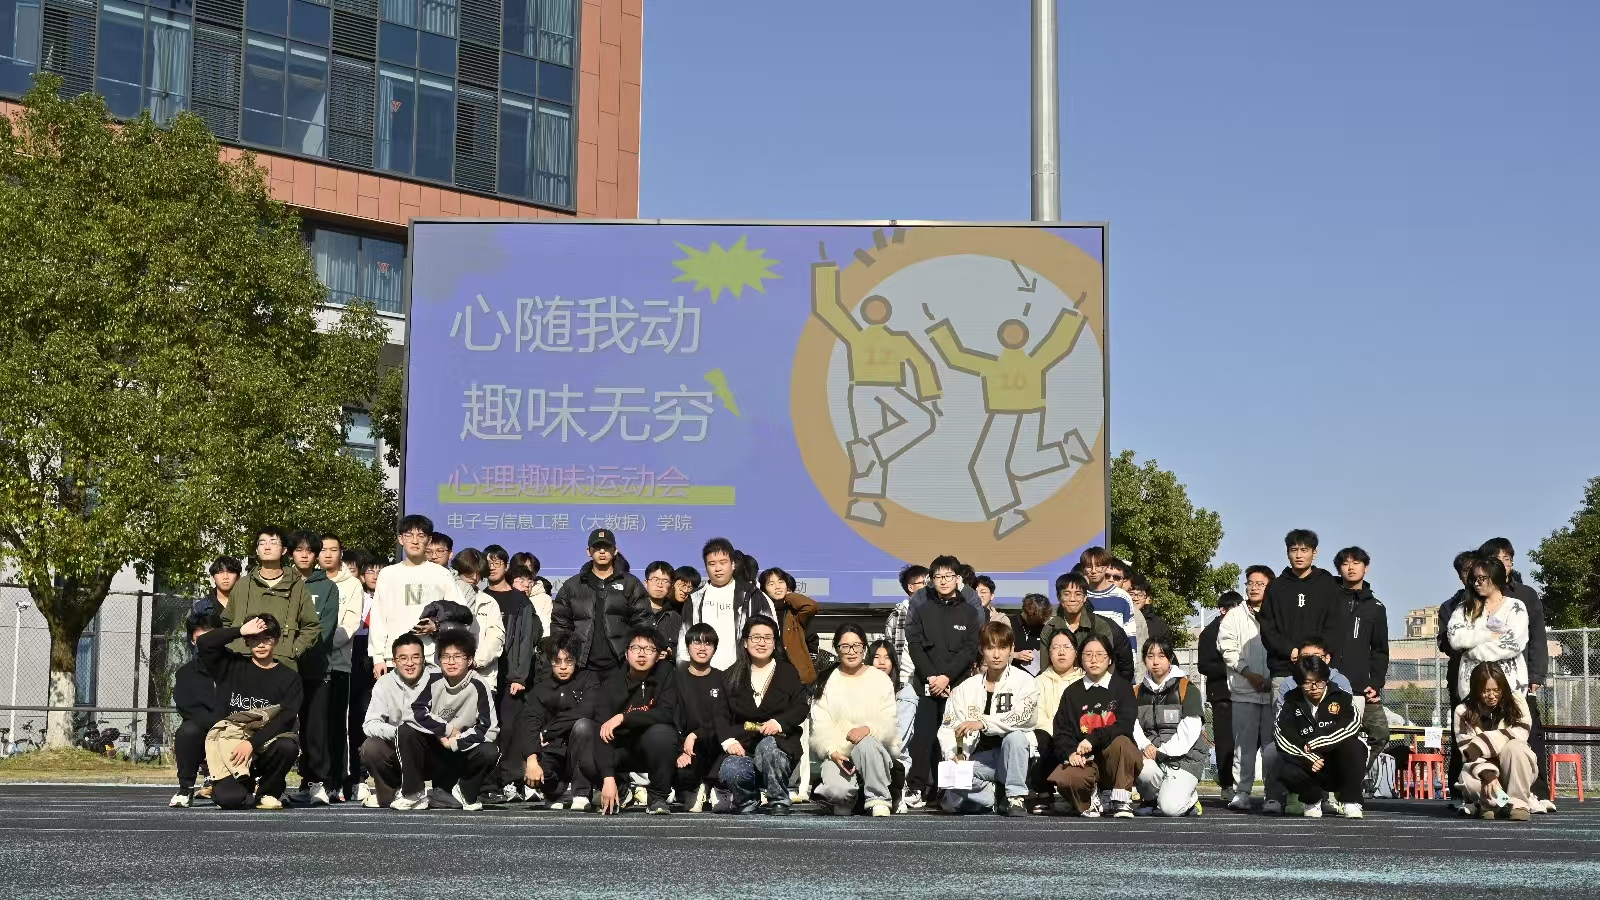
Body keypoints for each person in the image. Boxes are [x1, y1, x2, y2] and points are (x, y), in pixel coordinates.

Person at [1479, 537, 1555, 813]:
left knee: (1531, 734)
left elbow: (1537, 638)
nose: (1503, 564)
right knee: (1489, 737)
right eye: (1497, 559)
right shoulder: (1477, 594)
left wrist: (1536, 674)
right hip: (1487, 679)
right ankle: (1493, 795)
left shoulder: (1526, 594)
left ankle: (1537, 792)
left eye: (1507, 559)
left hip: (1519, 679)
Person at [197, 614, 303, 810]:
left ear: (276, 640)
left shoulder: (290, 678)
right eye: (254, 639)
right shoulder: (231, 665)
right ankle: (245, 786)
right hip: (232, 746)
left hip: (264, 745)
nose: (260, 645)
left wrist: (251, 743)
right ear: (246, 641)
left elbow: (287, 719)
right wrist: (240, 630)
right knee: (229, 800)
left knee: (287, 746)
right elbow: (204, 643)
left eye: (267, 638)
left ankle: (268, 791)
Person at [572, 627, 681, 815]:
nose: (642, 654)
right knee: (586, 740)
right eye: (635, 648)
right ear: (626, 653)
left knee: (663, 733)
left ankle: (657, 797)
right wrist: (607, 778)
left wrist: (623, 717)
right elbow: (602, 730)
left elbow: (666, 713)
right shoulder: (612, 682)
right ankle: (621, 792)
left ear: (658, 656)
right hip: (619, 749)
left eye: (649, 649)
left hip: (651, 747)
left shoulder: (666, 673)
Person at [902, 555, 982, 808]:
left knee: (953, 739)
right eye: (938, 577)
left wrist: (947, 677)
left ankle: (947, 790)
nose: (944, 581)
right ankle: (916, 787)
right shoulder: (922, 608)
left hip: (957, 686)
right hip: (927, 684)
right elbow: (915, 644)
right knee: (923, 737)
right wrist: (932, 677)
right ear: (931, 580)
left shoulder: (969, 612)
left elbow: (970, 649)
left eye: (948, 576)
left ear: (958, 579)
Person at [937, 621, 1039, 816]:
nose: (996, 654)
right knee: (950, 781)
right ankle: (994, 795)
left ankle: (1015, 797)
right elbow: (949, 728)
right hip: (980, 760)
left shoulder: (1025, 681)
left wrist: (983, 723)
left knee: (1016, 737)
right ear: (981, 650)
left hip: (1014, 760)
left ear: (1012, 650)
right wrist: (956, 754)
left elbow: (1024, 718)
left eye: (1002, 648)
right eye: (990, 648)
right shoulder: (966, 688)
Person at [395, 629, 500, 811]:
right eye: (445, 656)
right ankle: (413, 793)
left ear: (469, 660)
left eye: (458, 656)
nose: (451, 662)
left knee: (490, 751)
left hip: (461, 751)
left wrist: (455, 741)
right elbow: (414, 713)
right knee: (406, 730)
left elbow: (488, 729)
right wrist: (446, 730)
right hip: (434, 750)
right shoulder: (432, 680)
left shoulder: (479, 685)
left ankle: (465, 791)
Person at [718, 616, 808, 815]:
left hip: (780, 745)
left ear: (775, 643)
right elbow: (720, 714)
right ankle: (747, 800)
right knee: (732, 769)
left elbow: (801, 706)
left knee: (769, 747)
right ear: (745, 642)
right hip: (744, 746)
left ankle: (778, 799)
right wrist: (729, 741)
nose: (761, 642)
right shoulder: (730, 675)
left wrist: (779, 722)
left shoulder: (787, 671)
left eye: (767, 638)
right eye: (756, 637)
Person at [811, 625, 900, 816]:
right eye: (845, 646)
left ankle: (879, 797)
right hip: (840, 755)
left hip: (874, 751)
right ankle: (852, 798)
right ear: (837, 649)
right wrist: (832, 752)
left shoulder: (880, 679)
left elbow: (889, 719)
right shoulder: (826, 681)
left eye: (856, 646)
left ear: (864, 648)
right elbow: (820, 724)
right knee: (838, 793)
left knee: (866, 744)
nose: (851, 651)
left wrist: (868, 729)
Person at [1047, 635, 1140, 818]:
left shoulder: (1122, 688)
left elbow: (1124, 725)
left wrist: (1092, 739)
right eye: (1088, 654)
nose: (1094, 660)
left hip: (1114, 758)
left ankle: (1120, 799)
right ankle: (1091, 800)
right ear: (1080, 658)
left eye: (1100, 654)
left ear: (1110, 659)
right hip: (1085, 760)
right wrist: (1070, 753)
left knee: (1122, 741)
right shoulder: (1072, 692)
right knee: (1065, 778)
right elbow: (1062, 730)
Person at [368, 515, 466, 676]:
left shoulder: (441, 574)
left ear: (429, 540)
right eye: (409, 535)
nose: (415, 541)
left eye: (421, 536)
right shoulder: (388, 574)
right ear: (400, 539)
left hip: (431, 657)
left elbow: (460, 614)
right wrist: (378, 657)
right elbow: (378, 617)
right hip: (394, 658)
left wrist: (437, 626)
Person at [1218, 566, 1281, 812]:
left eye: (1260, 584)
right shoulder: (1234, 615)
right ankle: (1241, 793)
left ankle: (1272, 795)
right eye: (1250, 583)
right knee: (1243, 746)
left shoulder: (1279, 613)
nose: (1253, 588)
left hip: (1273, 691)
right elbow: (1227, 649)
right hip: (1244, 690)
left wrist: (1272, 678)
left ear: (1270, 587)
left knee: (1272, 746)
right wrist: (1248, 673)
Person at [285, 530, 340, 806]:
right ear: (291, 553)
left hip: (317, 669)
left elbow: (325, 630)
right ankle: (272, 782)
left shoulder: (328, 587)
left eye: (310, 550)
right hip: (283, 668)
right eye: (299, 550)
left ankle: (317, 783)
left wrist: (297, 648)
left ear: (316, 555)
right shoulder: (282, 583)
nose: (304, 555)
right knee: (280, 725)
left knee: (314, 729)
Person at [1275, 655, 1365, 818]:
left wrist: (1319, 742)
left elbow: (1353, 725)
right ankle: (1312, 800)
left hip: (1335, 764)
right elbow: (1282, 734)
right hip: (1308, 763)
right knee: (1281, 764)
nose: (1314, 687)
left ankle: (1351, 800)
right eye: (1308, 683)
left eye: (1319, 682)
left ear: (1326, 680)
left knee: (1357, 747)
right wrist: (1306, 757)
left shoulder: (1342, 697)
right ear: (1299, 683)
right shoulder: (1291, 701)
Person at [553, 528, 652, 677]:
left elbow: (643, 621)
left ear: (615, 550)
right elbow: (560, 624)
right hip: (582, 665)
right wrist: (567, 655)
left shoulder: (630, 583)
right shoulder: (572, 585)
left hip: (620, 664)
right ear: (588, 551)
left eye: (607, 547)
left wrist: (634, 654)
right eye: (597, 547)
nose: (602, 551)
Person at [221, 526, 320, 671]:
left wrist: (293, 650)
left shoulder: (296, 586)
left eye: (273, 542)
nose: (267, 547)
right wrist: (233, 647)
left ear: (284, 550)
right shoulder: (242, 584)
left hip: (282, 664)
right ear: (257, 550)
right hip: (242, 661)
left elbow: (311, 626)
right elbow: (226, 621)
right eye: (262, 543)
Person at [357, 633, 436, 807]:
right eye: (403, 658)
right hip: (399, 747)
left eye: (415, 657)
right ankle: (389, 793)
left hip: (432, 749)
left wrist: (417, 733)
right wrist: (399, 733)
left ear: (423, 659)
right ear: (394, 661)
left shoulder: (438, 679)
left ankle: (441, 791)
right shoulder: (384, 683)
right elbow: (370, 724)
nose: (410, 663)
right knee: (371, 747)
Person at [1328, 547, 1391, 767]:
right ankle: (1335, 783)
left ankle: (1355, 775)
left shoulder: (1376, 607)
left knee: (1380, 733)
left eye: (1356, 563)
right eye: (1345, 563)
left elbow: (1380, 650)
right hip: (1330, 685)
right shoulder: (1328, 600)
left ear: (1366, 567)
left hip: (1361, 687)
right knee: (1337, 738)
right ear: (1339, 569)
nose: (1351, 567)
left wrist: (1376, 682)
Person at [521, 636, 599, 810]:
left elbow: (586, 711)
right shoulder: (540, 688)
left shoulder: (588, 679)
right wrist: (531, 759)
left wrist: (548, 731)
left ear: (576, 660)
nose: (563, 667)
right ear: (551, 662)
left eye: (568, 661)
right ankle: (554, 792)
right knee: (528, 764)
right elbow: (529, 723)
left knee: (584, 726)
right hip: (552, 751)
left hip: (578, 751)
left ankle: (581, 792)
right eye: (557, 661)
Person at [1133, 638, 1209, 816]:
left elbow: (1189, 731)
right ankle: (1151, 799)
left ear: (1170, 658)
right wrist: (1146, 746)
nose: (1155, 661)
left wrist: (1162, 751)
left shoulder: (1186, 688)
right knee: (1140, 767)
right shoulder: (1136, 692)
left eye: (1161, 656)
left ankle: (1190, 799)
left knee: (1171, 808)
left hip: (1184, 760)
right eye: (1150, 656)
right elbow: (1132, 725)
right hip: (1152, 756)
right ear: (1144, 659)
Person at [1454, 661, 1537, 821]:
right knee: (1469, 781)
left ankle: (1518, 804)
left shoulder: (1517, 702)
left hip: (1514, 770)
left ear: (1503, 687)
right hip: (1483, 772)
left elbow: (1520, 733)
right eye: (1486, 691)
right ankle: (1497, 804)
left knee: (1515, 746)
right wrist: (1488, 775)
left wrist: (1479, 744)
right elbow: (1468, 752)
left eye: (1496, 690)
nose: (1492, 695)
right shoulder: (1463, 711)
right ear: (1476, 689)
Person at [678, 537, 776, 670]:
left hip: (744, 672)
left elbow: (770, 635)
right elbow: (684, 639)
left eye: (723, 562)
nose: (718, 568)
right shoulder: (695, 598)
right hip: (704, 673)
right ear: (706, 567)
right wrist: (684, 673)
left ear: (733, 564)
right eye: (712, 564)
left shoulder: (751, 594)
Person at [1259, 529, 1341, 687]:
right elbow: (1268, 628)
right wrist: (1289, 650)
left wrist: (1315, 652)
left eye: (1304, 550)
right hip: (1284, 671)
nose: (1298, 555)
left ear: (1314, 553)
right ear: (1287, 552)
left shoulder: (1327, 584)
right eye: (1294, 550)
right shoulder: (1276, 586)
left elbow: (1336, 624)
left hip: (1319, 669)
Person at [316, 533, 363, 803]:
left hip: (339, 665)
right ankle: (312, 781)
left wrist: (321, 644)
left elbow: (350, 624)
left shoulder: (353, 585)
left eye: (333, 550)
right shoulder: (307, 581)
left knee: (336, 726)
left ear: (340, 553)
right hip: (309, 666)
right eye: (323, 549)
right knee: (313, 727)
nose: (328, 554)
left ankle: (336, 782)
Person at [1447, 556, 1530, 703]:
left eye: (1481, 578)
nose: (1476, 583)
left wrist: (1471, 649)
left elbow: (1513, 643)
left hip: (1509, 687)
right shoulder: (1464, 608)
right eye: (1474, 579)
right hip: (1471, 688)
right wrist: (1489, 635)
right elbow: (1456, 638)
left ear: (1495, 577)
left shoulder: (1515, 607)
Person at [169, 613, 223, 807]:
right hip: (205, 729)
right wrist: (215, 726)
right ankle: (186, 789)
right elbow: (187, 707)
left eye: (211, 636)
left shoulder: (237, 666)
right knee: (187, 731)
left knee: (230, 798)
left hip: (234, 728)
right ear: (193, 641)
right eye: (200, 638)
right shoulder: (185, 673)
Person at [673, 623, 729, 812]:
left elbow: (725, 720)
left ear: (715, 648)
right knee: (682, 774)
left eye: (708, 643)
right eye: (696, 642)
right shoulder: (675, 679)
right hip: (686, 749)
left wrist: (696, 734)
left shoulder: (724, 679)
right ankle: (697, 788)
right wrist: (681, 749)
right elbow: (671, 718)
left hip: (714, 744)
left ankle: (714, 788)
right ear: (687, 646)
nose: (702, 648)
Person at [1038, 572, 1134, 681]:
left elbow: (1107, 664)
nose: (1072, 599)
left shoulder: (1100, 626)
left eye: (1078, 594)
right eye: (1067, 594)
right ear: (1059, 598)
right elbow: (1045, 667)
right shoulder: (1050, 628)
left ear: (1085, 597)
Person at [1028, 628, 1084, 813]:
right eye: (1055, 647)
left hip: (1078, 737)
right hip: (1049, 736)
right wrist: (1058, 734)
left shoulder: (1085, 680)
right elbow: (1036, 714)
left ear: (1076, 651)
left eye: (1066, 647)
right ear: (1049, 652)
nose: (1061, 652)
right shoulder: (1038, 681)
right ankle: (1044, 793)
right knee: (1040, 737)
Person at [344, 551, 384, 802]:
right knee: (353, 718)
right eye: (370, 570)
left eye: (380, 571)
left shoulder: (388, 598)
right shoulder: (354, 595)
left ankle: (370, 775)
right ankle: (352, 777)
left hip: (379, 659)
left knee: (374, 717)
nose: (375, 576)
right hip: (353, 654)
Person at [1439, 550, 1478, 800]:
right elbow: (1446, 643)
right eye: (1465, 571)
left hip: (1491, 674)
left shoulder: (1497, 601)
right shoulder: (1449, 606)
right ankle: (1457, 789)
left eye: (1475, 569)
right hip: (1459, 674)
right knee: (1460, 730)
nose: (1472, 576)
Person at [1197, 590, 1242, 800]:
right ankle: (1226, 784)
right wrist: (1234, 668)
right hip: (1221, 694)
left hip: (1245, 691)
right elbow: (1204, 666)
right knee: (1225, 741)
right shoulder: (1209, 633)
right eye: (1234, 609)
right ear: (1222, 610)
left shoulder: (1246, 629)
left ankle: (1240, 780)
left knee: (1247, 739)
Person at [869, 637, 917, 812]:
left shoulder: (905, 692)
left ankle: (898, 792)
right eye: (876, 657)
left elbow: (900, 736)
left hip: (895, 756)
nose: (882, 662)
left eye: (887, 657)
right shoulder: (860, 688)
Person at [760, 567, 821, 685]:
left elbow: (811, 606)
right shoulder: (762, 613)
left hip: (797, 677)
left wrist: (789, 596)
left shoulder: (795, 615)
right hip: (770, 675)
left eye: (781, 582)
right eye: (771, 584)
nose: (777, 587)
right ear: (764, 590)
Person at [1079, 547, 1138, 657]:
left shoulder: (1122, 596)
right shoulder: (1080, 596)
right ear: (1083, 569)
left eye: (1098, 566)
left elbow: (1130, 632)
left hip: (1116, 657)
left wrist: (1132, 660)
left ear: (1107, 566)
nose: (1094, 571)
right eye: (1089, 566)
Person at [883, 564, 930, 692]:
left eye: (930, 582)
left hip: (931, 681)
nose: (929, 586)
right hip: (905, 681)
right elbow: (890, 650)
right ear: (911, 587)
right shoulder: (896, 616)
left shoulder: (937, 612)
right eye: (924, 583)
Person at [643, 561, 684, 659]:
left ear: (671, 586)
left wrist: (670, 653)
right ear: (646, 583)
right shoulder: (632, 611)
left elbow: (683, 650)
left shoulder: (676, 617)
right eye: (655, 579)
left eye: (665, 581)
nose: (659, 584)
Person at [510, 551, 552, 635]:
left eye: (529, 568)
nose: (525, 572)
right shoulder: (502, 594)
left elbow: (546, 630)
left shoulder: (544, 599)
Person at [1009, 592, 1049, 675]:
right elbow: (995, 650)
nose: (1037, 623)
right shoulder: (1008, 623)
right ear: (1026, 612)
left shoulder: (1044, 629)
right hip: (1010, 673)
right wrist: (1015, 655)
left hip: (1035, 676)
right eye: (1034, 619)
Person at [1129, 574, 1172, 647]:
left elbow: (1167, 649)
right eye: (1131, 594)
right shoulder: (1119, 618)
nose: (1135, 598)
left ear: (1147, 598)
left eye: (1140, 595)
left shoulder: (1158, 624)